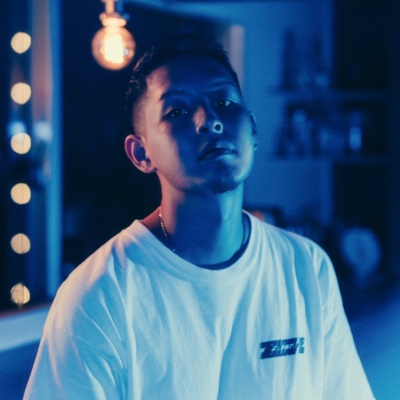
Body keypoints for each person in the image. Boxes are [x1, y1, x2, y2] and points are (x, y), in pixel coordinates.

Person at [24, 36, 374, 399]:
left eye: (223, 102)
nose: (210, 121)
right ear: (141, 153)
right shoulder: (100, 294)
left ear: (253, 130)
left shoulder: (305, 267)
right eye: (177, 111)